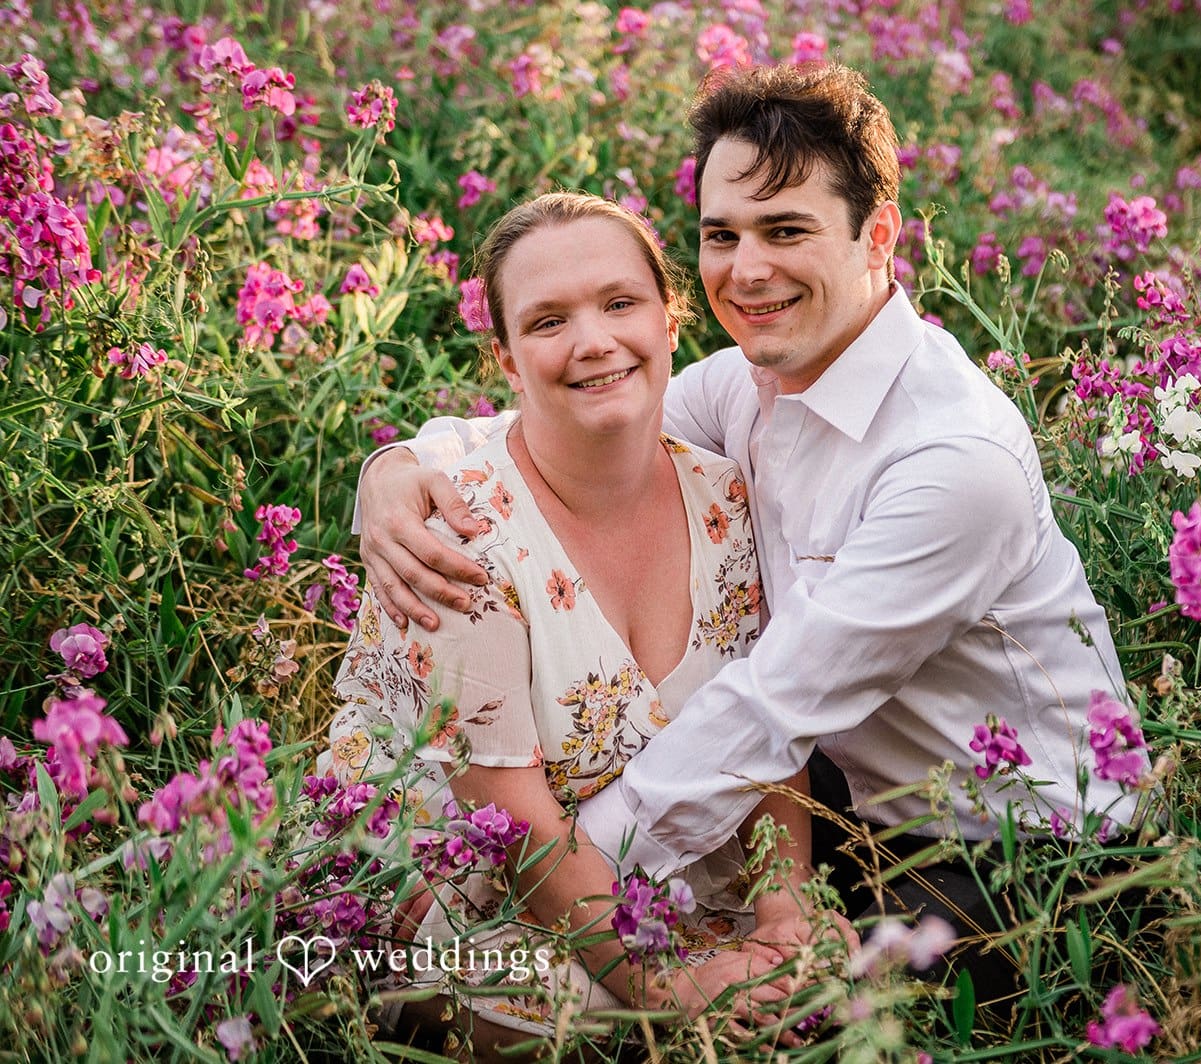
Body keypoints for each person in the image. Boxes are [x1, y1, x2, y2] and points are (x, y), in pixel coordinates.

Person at [357, 63, 1146, 992]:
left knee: (773, 1003)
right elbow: (561, 437)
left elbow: (770, 710)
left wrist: (535, 877)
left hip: (1013, 855)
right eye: (721, 235)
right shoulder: (752, 381)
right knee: (659, 962)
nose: (747, 270)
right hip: (839, 793)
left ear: (878, 235)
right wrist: (401, 468)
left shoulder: (951, 462)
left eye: (785, 231)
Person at [322, 191, 823, 1051]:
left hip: (656, 863)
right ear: (508, 362)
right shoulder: (461, 542)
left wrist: (785, 908)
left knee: (819, 975)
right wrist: (667, 984)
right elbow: (514, 828)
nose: (593, 341)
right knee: (566, 1021)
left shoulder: (726, 497)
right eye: (548, 321)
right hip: (466, 881)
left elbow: (767, 726)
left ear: (671, 320)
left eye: (619, 303)